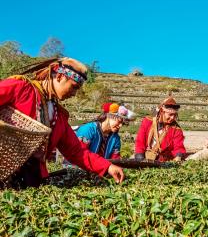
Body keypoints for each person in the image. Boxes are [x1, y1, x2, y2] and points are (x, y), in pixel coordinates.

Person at [0, 57, 124, 188]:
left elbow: (76, 151)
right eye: (74, 87)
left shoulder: (58, 116)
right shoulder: (21, 88)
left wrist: (107, 166)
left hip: (31, 178)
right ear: (59, 76)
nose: (75, 93)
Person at [63, 102, 135, 167]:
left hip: (99, 170)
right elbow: (80, 155)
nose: (120, 126)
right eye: (119, 121)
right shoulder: (88, 130)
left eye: (122, 123)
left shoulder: (115, 138)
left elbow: (115, 159)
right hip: (75, 167)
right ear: (109, 116)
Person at [135, 97, 186, 162]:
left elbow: (178, 147)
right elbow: (140, 141)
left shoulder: (176, 130)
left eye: (175, 115)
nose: (172, 118)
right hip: (145, 158)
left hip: (163, 162)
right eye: (170, 114)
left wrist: (179, 156)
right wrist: (139, 157)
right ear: (162, 112)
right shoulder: (147, 121)